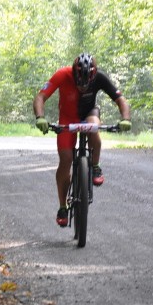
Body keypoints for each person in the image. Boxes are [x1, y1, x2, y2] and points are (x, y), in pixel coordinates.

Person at [33, 53, 131, 226]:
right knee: (66, 160)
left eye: (86, 84)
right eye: (79, 83)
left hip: (89, 114)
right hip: (67, 118)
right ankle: (63, 206)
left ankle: (95, 166)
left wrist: (125, 119)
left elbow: (120, 99)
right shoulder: (62, 75)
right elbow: (41, 97)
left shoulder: (100, 77)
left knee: (94, 128)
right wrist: (40, 117)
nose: (82, 88)